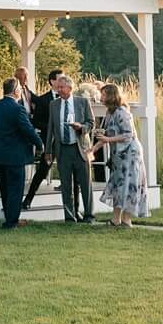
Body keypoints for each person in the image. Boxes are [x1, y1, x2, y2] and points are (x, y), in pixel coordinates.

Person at [0, 77, 44, 228]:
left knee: (4, 188)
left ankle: (9, 217)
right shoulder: (18, 108)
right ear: (16, 90)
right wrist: (39, 143)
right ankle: (12, 221)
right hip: (15, 155)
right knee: (15, 189)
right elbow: (27, 129)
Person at [93, 82, 149, 227]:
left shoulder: (122, 112)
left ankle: (126, 219)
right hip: (118, 154)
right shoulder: (109, 113)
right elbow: (105, 136)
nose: (101, 97)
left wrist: (108, 139)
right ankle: (116, 219)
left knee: (129, 184)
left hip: (130, 153)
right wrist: (92, 150)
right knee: (117, 183)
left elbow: (128, 135)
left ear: (111, 96)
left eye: (103, 95)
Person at [44, 72, 95, 222]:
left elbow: (91, 123)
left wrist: (81, 127)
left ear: (70, 87)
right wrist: (48, 150)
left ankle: (88, 215)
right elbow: (51, 129)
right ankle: (69, 216)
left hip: (80, 148)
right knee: (66, 185)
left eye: (61, 87)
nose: (58, 90)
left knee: (85, 183)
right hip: (63, 149)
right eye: (57, 87)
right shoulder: (54, 104)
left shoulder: (82, 102)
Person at [20, 65, 60, 211]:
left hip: (67, 142)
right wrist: (51, 128)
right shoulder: (44, 100)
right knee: (42, 171)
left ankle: (74, 207)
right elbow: (36, 121)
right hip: (49, 141)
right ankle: (28, 199)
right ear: (52, 81)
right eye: (60, 79)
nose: (63, 82)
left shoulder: (68, 98)